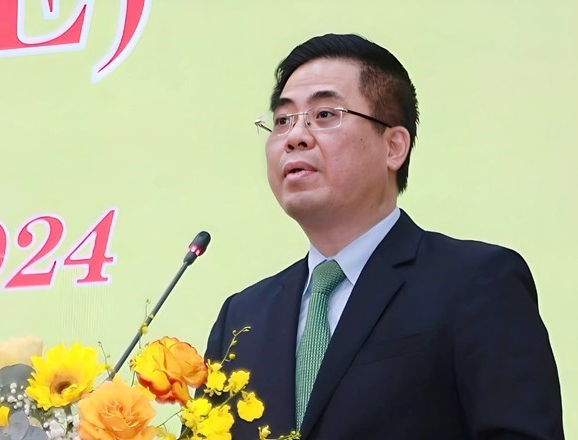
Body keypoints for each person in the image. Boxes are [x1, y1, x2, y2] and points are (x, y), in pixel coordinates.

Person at [203, 33, 563, 439]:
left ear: (394, 147)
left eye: (325, 114)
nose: (294, 136)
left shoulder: (477, 282)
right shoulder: (243, 316)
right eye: (283, 120)